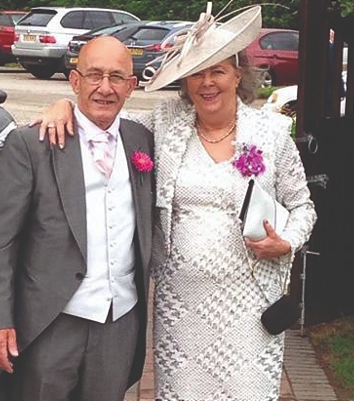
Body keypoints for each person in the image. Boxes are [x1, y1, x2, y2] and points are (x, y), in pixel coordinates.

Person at [36, 4, 316, 400]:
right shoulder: (164, 123)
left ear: (238, 74)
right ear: (184, 83)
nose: (207, 83)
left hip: (252, 307)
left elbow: (304, 207)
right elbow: (105, 119)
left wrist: (287, 241)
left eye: (217, 70)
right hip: (181, 306)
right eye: (197, 73)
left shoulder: (272, 134)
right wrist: (64, 104)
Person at [0, 36, 155, 401]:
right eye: (94, 75)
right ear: (74, 82)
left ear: (131, 86)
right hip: (50, 320)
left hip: (119, 320)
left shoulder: (144, 140)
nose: (105, 88)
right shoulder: (32, 144)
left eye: (117, 77)